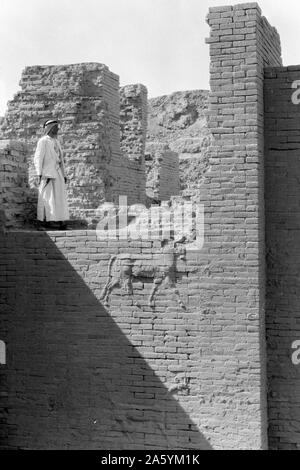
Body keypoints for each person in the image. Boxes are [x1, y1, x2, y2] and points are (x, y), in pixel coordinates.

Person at [34, 119, 69, 229]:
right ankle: (42, 223)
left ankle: (60, 222)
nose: (57, 129)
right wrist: (39, 173)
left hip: (57, 173)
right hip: (47, 174)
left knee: (59, 198)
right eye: (55, 127)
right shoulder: (43, 141)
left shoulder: (56, 141)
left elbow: (61, 159)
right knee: (46, 198)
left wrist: (64, 175)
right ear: (50, 128)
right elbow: (38, 158)